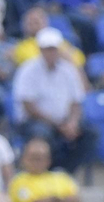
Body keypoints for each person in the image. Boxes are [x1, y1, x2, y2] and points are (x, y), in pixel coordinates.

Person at [11, 28, 95, 173]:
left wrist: (72, 122)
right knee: (41, 133)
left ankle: (65, 172)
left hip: (63, 120)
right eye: (47, 49)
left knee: (91, 134)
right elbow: (29, 107)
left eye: (53, 49)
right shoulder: (28, 70)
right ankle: (45, 172)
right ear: (40, 50)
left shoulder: (68, 70)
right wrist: (58, 124)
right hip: (35, 121)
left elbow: (77, 102)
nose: (51, 53)